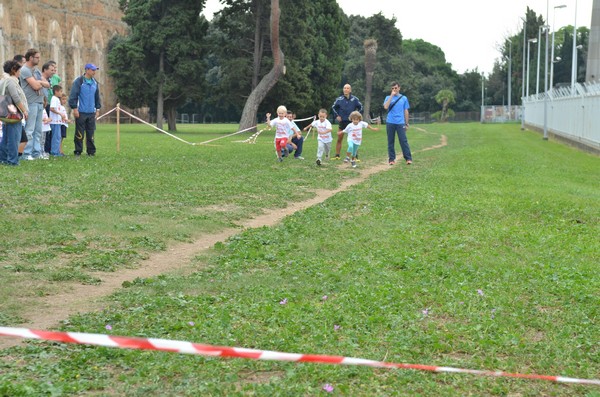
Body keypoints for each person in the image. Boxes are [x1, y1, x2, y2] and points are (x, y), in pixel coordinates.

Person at [20, 48, 51, 160]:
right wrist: (39, 83)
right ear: (30, 58)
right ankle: (26, 153)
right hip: (30, 102)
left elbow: (47, 84)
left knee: (38, 130)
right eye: (37, 57)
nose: (39, 59)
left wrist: (39, 82)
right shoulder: (25, 70)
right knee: (30, 129)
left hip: (39, 102)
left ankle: (36, 153)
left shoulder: (36, 70)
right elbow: (36, 86)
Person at [68, 63, 101, 157]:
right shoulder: (79, 81)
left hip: (91, 112)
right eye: (92, 70)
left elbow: (97, 97)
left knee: (91, 133)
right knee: (79, 133)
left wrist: (97, 109)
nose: (94, 72)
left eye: (95, 70)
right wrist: (74, 108)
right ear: (87, 70)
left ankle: (91, 151)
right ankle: (78, 151)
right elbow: (73, 95)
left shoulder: (95, 82)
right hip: (81, 112)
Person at [0, 60, 29, 166]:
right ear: (13, 70)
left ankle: (3, 158)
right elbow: (16, 97)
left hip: (5, 112)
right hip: (13, 113)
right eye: (18, 70)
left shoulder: (3, 80)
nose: (19, 73)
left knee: (6, 137)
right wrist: (24, 110)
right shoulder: (11, 81)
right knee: (14, 138)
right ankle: (12, 160)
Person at [331, 83, 363, 160]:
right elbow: (333, 108)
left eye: (347, 88)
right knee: (339, 139)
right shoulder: (339, 99)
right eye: (344, 88)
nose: (346, 89)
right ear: (343, 90)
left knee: (355, 140)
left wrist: (357, 116)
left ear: (350, 90)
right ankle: (337, 155)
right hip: (342, 122)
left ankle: (355, 156)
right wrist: (337, 116)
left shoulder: (355, 99)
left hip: (352, 123)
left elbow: (361, 107)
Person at [383, 81, 412, 165]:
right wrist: (391, 95)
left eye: (396, 88)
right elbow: (385, 107)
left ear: (399, 88)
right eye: (392, 88)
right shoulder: (388, 97)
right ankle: (391, 159)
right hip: (390, 122)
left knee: (403, 141)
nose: (394, 90)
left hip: (400, 123)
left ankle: (408, 158)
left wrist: (406, 123)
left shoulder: (404, 98)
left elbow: (406, 111)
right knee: (390, 141)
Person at [49, 85, 67, 156]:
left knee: (58, 137)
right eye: (60, 91)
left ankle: (56, 151)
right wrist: (60, 114)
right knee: (56, 137)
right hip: (54, 121)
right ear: (56, 91)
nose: (61, 93)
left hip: (58, 122)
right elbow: (52, 108)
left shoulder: (56, 99)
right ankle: (54, 152)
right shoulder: (54, 99)